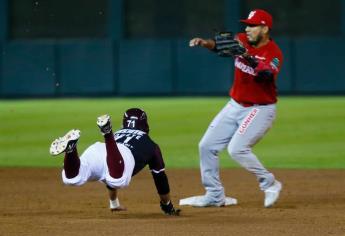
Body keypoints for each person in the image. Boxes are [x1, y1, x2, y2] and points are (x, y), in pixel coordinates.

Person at [180, 9, 283, 208]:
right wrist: (205, 43)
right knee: (206, 146)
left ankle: (270, 183)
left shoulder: (273, 53)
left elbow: (266, 75)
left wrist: (246, 55)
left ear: (265, 28)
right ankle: (214, 195)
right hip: (235, 104)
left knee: (237, 149)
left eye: (253, 25)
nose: (247, 29)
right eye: (247, 24)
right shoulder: (241, 39)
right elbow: (219, 46)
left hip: (260, 109)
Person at [49, 108, 180, 215]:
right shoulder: (152, 145)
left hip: (98, 149)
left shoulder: (120, 133)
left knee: (73, 178)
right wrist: (167, 205)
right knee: (117, 179)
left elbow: (110, 182)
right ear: (145, 124)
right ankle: (107, 133)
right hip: (121, 156)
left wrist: (114, 203)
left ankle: (71, 149)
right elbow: (160, 178)